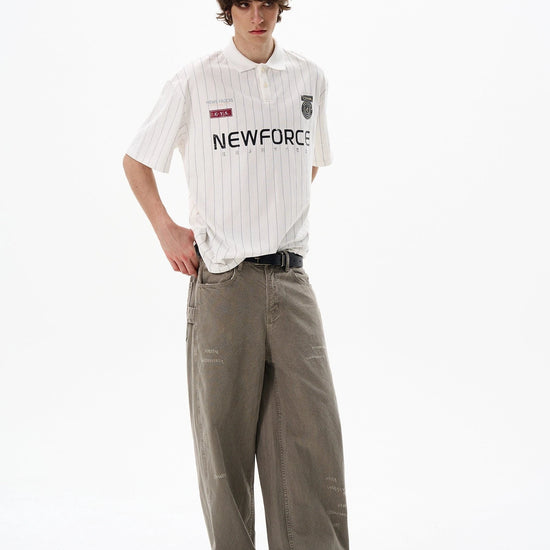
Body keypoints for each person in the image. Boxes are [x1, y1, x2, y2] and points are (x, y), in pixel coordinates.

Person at [122, 1, 350, 548]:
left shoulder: (310, 79)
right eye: (243, 4)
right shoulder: (195, 81)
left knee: (313, 440)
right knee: (223, 451)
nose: (257, 15)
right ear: (229, 10)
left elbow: (308, 162)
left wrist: (270, 210)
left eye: (267, 2)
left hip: (291, 280)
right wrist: (167, 230)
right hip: (224, 284)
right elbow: (137, 160)